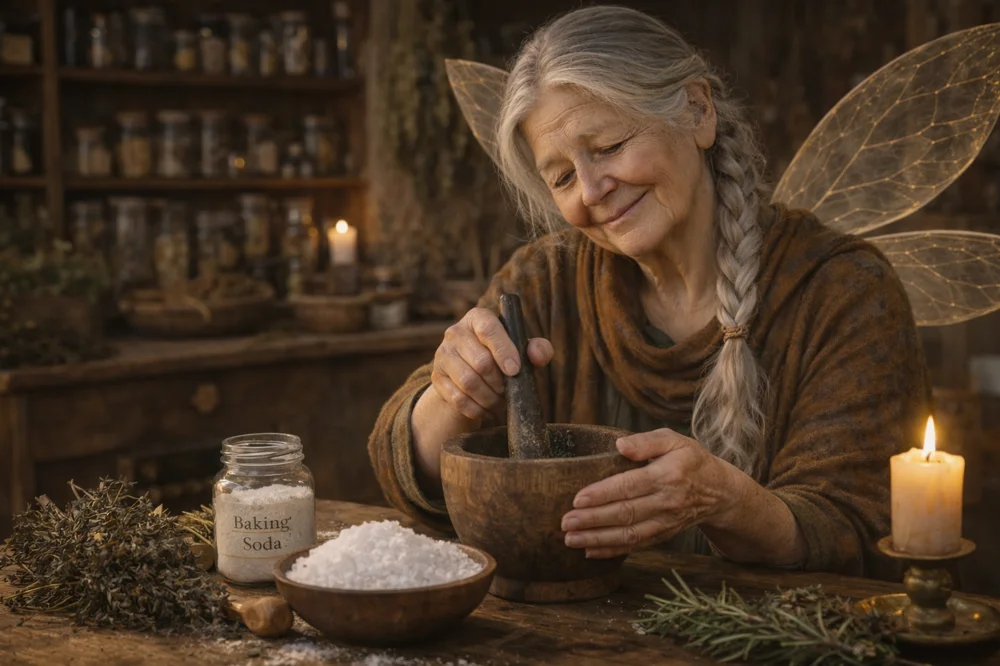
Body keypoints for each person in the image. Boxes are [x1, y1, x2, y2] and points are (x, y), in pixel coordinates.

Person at [368, 5, 929, 579]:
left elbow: (860, 530)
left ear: (697, 110)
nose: (591, 191)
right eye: (561, 177)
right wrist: (452, 393)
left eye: (609, 146)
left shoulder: (842, 291)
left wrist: (729, 502)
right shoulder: (546, 280)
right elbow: (406, 472)